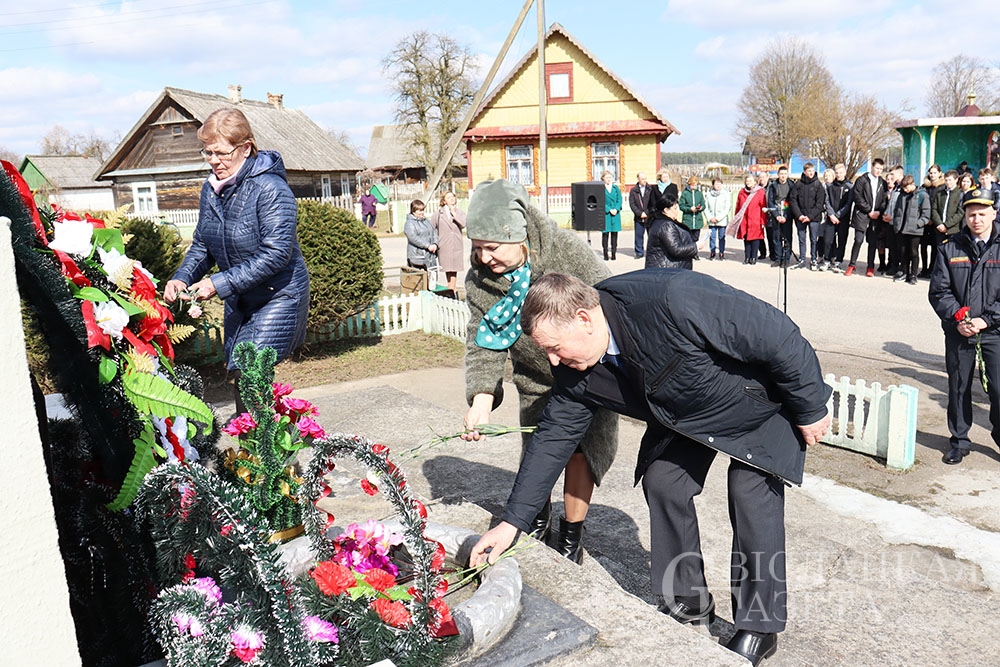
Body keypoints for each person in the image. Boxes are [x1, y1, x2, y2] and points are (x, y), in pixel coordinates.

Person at [470, 270, 832, 667]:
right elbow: (553, 436)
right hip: (687, 413)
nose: (554, 361)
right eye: (547, 352)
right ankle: (687, 599)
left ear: (584, 318)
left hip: (757, 402)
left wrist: (811, 408)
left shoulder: (672, 300)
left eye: (555, 348)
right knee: (664, 482)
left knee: (750, 495)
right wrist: (512, 523)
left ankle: (760, 626)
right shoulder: (576, 366)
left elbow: (777, 335)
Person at [461, 179, 619, 563]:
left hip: (586, 373)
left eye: (492, 247)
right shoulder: (481, 279)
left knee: (583, 454)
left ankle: (570, 537)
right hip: (535, 378)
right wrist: (482, 399)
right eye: (477, 248)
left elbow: (610, 302)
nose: (484, 258)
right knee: (537, 451)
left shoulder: (566, 254)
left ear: (518, 235)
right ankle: (533, 519)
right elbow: (483, 338)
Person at [164, 107, 309, 374]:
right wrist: (182, 277)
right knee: (240, 372)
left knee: (249, 370)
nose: (213, 160)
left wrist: (216, 284)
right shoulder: (211, 189)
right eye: (208, 152)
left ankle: (275, 418)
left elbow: (276, 254)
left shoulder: (271, 189)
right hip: (239, 298)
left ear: (245, 148)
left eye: (221, 152)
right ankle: (264, 418)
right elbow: (203, 244)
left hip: (279, 295)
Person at [929, 188, 1000, 465]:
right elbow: (939, 291)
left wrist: (987, 319)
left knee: (998, 389)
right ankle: (959, 441)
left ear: (993, 213)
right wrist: (958, 317)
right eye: (971, 214)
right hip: (959, 332)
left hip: (994, 331)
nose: (976, 219)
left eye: (982, 214)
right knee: (958, 388)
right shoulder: (950, 247)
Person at [844, 158, 888, 277]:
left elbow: (884, 200)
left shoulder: (882, 183)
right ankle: (851, 265)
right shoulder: (862, 180)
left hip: (876, 217)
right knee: (858, 240)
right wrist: (868, 210)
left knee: (872, 243)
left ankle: (870, 267)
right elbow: (858, 197)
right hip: (862, 215)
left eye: (881, 169)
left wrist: (879, 211)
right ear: (872, 167)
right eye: (877, 168)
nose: (878, 171)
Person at [891, 174, 931, 285]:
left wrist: (917, 224)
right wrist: (896, 224)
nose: (905, 189)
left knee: (914, 252)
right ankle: (904, 272)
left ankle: (913, 275)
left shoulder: (922, 195)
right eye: (903, 187)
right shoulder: (902, 195)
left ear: (912, 184)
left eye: (906, 187)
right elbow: (897, 211)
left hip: (915, 230)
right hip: (902, 229)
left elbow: (926, 215)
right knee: (903, 252)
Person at [644, 193, 697, 269]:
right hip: (666, 269)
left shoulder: (661, 221)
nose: (677, 211)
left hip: (666, 268)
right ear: (666, 210)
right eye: (675, 209)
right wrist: (696, 246)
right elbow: (676, 249)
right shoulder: (666, 225)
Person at [789, 162, 824, 270]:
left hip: (814, 218)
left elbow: (819, 203)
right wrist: (799, 215)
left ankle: (813, 259)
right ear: (804, 171)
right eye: (809, 171)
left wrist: (809, 216)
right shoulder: (798, 184)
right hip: (800, 217)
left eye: (812, 171)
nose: (811, 173)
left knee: (813, 239)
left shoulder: (818, 185)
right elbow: (793, 200)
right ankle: (802, 259)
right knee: (801, 239)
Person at [430, 191, 467, 293]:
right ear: (444, 201)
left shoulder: (459, 212)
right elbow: (431, 228)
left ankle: (452, 290)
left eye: (452, 197)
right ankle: (451, 291)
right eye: (448, 197)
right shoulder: (438, 214)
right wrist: (434, 243)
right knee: (448, 269)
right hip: (444, 245)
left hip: (456, 245)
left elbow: (464, 224)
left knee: (454, 269)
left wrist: (454, 213)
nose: (451, 199)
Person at [732, 173, 767, 264]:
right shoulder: (742, 192)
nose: (748, 183)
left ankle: (753, 257)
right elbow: (738, 206)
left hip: (756, 219)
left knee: (755, 239)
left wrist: (763, 221)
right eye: (747, 181)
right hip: (744, 219)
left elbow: (763, 207)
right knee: (746, 239)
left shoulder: (760, 192)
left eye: (750, 181)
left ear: (755, 182)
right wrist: (737, 218)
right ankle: (747, 257)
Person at [404, 199, 438, 289]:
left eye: (423, 210)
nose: (422, 212)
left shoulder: (427, 221)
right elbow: (413, 238)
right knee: (419, 281)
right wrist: (427, 246)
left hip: (430, 256)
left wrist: (435, 244)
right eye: (419, 210)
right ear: (413, 211)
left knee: (431, 280)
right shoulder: (409, 223)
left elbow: (434, 232)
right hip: (417, 256)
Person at [825, 163, 853, 272]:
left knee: (842, 240)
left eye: (841, 172)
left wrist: (838, 215)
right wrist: (831, 215)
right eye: (837, 173)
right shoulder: (830, 186)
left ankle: (838, 261)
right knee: (828, 240)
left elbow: (849, 203)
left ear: (845, 173)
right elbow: (826, 201)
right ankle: (827, 260)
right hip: (831, 218)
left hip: (843, 218)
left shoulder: (849, 186)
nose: (839, 175)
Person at [921, 165, 946, 277]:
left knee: (935, 247)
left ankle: (932, 269)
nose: (932, 175)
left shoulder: (943, 187)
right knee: (923, 246)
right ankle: (924, 269)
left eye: (935, 173)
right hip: (924, 221)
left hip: (936, 221)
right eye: (931, 173)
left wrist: (933, 219)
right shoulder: (924, 187)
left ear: (940, 173)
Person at [766, 166, 794, 267]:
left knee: (787, 238)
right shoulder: (773, 186)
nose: (783, 176)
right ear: (778, 174)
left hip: (787, 215)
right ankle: (778, 258)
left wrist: (785, 216)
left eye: (785, 174)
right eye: (781, 174)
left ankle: (786, 259)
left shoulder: (791, 185)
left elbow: (792, 202)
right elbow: (770, 202)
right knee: (776, 238)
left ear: (787, 175)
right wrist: (776, 215)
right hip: (776, 215)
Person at [882, 165, 905, 276]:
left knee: (900, 247)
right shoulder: (895, 187)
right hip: (890, 222)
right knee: (892, 246)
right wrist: (886, 214)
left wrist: (894, 217)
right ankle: (893, 267)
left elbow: (903, 207)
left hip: (899, 223)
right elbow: (891, 204)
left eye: (893, 174)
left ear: (900, 174)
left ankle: (902, 268)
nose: (891, 176)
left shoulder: (904, 187)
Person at [931, 170, 963, 247]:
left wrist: (946, 225)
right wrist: (939, 224)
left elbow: (960, 213)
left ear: (956, 180)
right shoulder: (939, 194)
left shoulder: (960, 194)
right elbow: (934, 209)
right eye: (946, 180)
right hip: (939, 230)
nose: (948, 182)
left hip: (953, 230)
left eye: (950, 180)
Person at [704, 177, 731, 260]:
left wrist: (718, 218)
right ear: (713, 185)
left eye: (720, 183)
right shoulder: (708, 195)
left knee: (721, 237)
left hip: (721, 220)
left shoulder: (725, 194)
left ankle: (721, 252)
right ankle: (712, 252)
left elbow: (727, 208)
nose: (718, 185)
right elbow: (705, 207)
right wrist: (710, 217)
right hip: (711, 220)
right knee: (712, 237)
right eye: (716, 183)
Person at [629, 172, 653, 259]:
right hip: (638, 218)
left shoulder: (650, 189)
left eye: (645, 178)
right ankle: (639, 252)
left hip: (649, 217)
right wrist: (639, 213)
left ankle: (651, 252)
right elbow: (632, 204)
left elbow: (652, 203)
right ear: (638, 179)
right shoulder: (633, 191)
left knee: (651, 235)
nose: (644, 181)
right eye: (642, 179)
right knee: (638, 235)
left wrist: (646, 213)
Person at [678, 176, 706, 251]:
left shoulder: (699, 194)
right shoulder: (685, 194)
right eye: (692, 185)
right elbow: (681, 205)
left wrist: (700, 208)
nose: (694, 186)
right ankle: (688, 251)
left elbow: (703, 204)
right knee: (688, 237)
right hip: (688, 220)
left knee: (696, 237)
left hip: (697, 220)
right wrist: (689, 209)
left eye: (695, 185)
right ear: (689, 185)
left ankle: (695, 252)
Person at [601, 170, 622, 261]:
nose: (609, 179)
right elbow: (600, 200)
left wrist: (616, 209)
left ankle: (614, 253)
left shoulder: (615, 188)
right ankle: (605, 253)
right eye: (607, 178)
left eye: (610, 177)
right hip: (606, 214)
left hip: (615, 214)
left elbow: (619, 199)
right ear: (603, 178)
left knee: (614, 234)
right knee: (605, 234)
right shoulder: (601, 188)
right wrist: (608, 209)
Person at [756, 172, 771, 260]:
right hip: (759, 214)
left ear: (767, 177)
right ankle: (762, 252)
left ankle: (772, 253)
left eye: (763, 177)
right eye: (760, 177)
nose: (762, 179)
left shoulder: (772, 187)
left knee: (770, 235)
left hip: (769, 214)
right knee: (760, 235)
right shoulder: (756, 188)